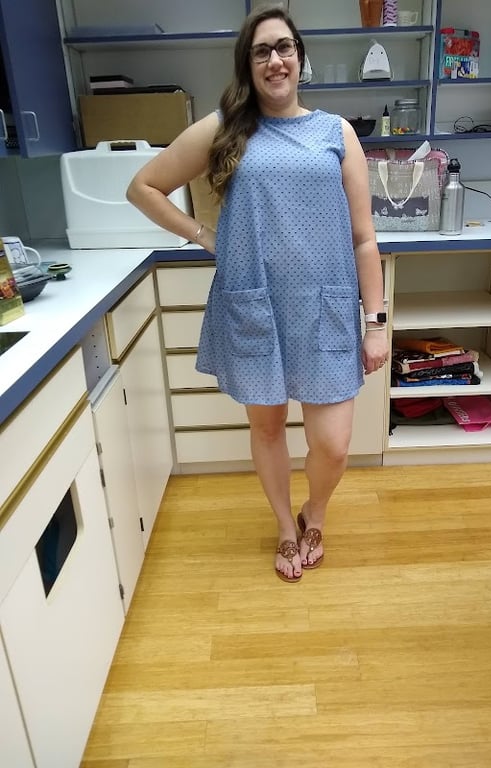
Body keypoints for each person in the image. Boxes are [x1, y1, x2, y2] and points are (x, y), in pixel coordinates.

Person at [126, 4, 389, 583]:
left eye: (284, 47)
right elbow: (144, 186)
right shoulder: (226, 128)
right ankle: (286, 526)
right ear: (248, 64)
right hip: (257, 305)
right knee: (267, 429)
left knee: (333, 444)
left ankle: (316, 511)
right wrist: (206, 236)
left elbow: (364, 238)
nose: (275, 60)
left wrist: (376, 322)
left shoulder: (336, 133)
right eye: (262, 51)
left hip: (325, 309)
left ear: (300, 56)